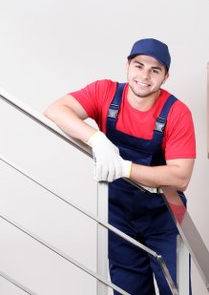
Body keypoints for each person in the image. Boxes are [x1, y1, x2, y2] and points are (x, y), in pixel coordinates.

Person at [44, 38, 196, 295]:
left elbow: (180, 177)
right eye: (138, 66)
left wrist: (125, 169)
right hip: (119, 214)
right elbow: (56, 110)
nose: (144, 75)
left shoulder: (177, 112)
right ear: (127, 66)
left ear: (165, 77)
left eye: (155, 70)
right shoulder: (105, 92)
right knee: (128, 290)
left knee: (176, 289)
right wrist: (96, 138)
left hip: (165, 216)